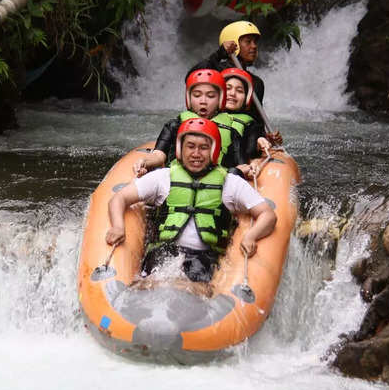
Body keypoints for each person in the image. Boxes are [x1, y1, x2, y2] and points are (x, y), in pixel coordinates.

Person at [105, 118, 277, 283]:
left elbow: (267, 215)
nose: (196, 154)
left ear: (214, 150)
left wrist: (251, 236)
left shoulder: (230, 183)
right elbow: (119, 198)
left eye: (203, 148)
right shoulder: (163, 177)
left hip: (204, 259)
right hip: (163, 252)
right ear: (180, 149)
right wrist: (118, 226)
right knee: (145, 286)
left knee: (191, 290)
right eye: (190, 146)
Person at [132, 68, 245, 177]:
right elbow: (159, 155)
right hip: (178, 183)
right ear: (189, 98)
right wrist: (144, 161)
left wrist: (250, 168)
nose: (203, 101)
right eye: (197, 95)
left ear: (221, 99)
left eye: (210, 96)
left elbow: (241, 165)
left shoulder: (231, 132)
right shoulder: (174, 126)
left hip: (216, 186)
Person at [186, 21, 283, 145]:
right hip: (209, 134)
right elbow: (191, 78)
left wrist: (266, 138)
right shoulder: (214, 70)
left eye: (255, 42)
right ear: (234, 44)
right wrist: (219, 54)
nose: (254, 46)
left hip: (240, 140)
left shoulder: (256, 83)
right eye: (248, 42)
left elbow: (256, 121)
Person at [221, 67, 271, 162]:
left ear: (246, 98)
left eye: (239, 91)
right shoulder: (207, 116)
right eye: (228, 88)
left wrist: (259, 141)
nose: (232, 93)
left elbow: (251, 149)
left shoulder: (250, 124)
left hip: (236, 169)